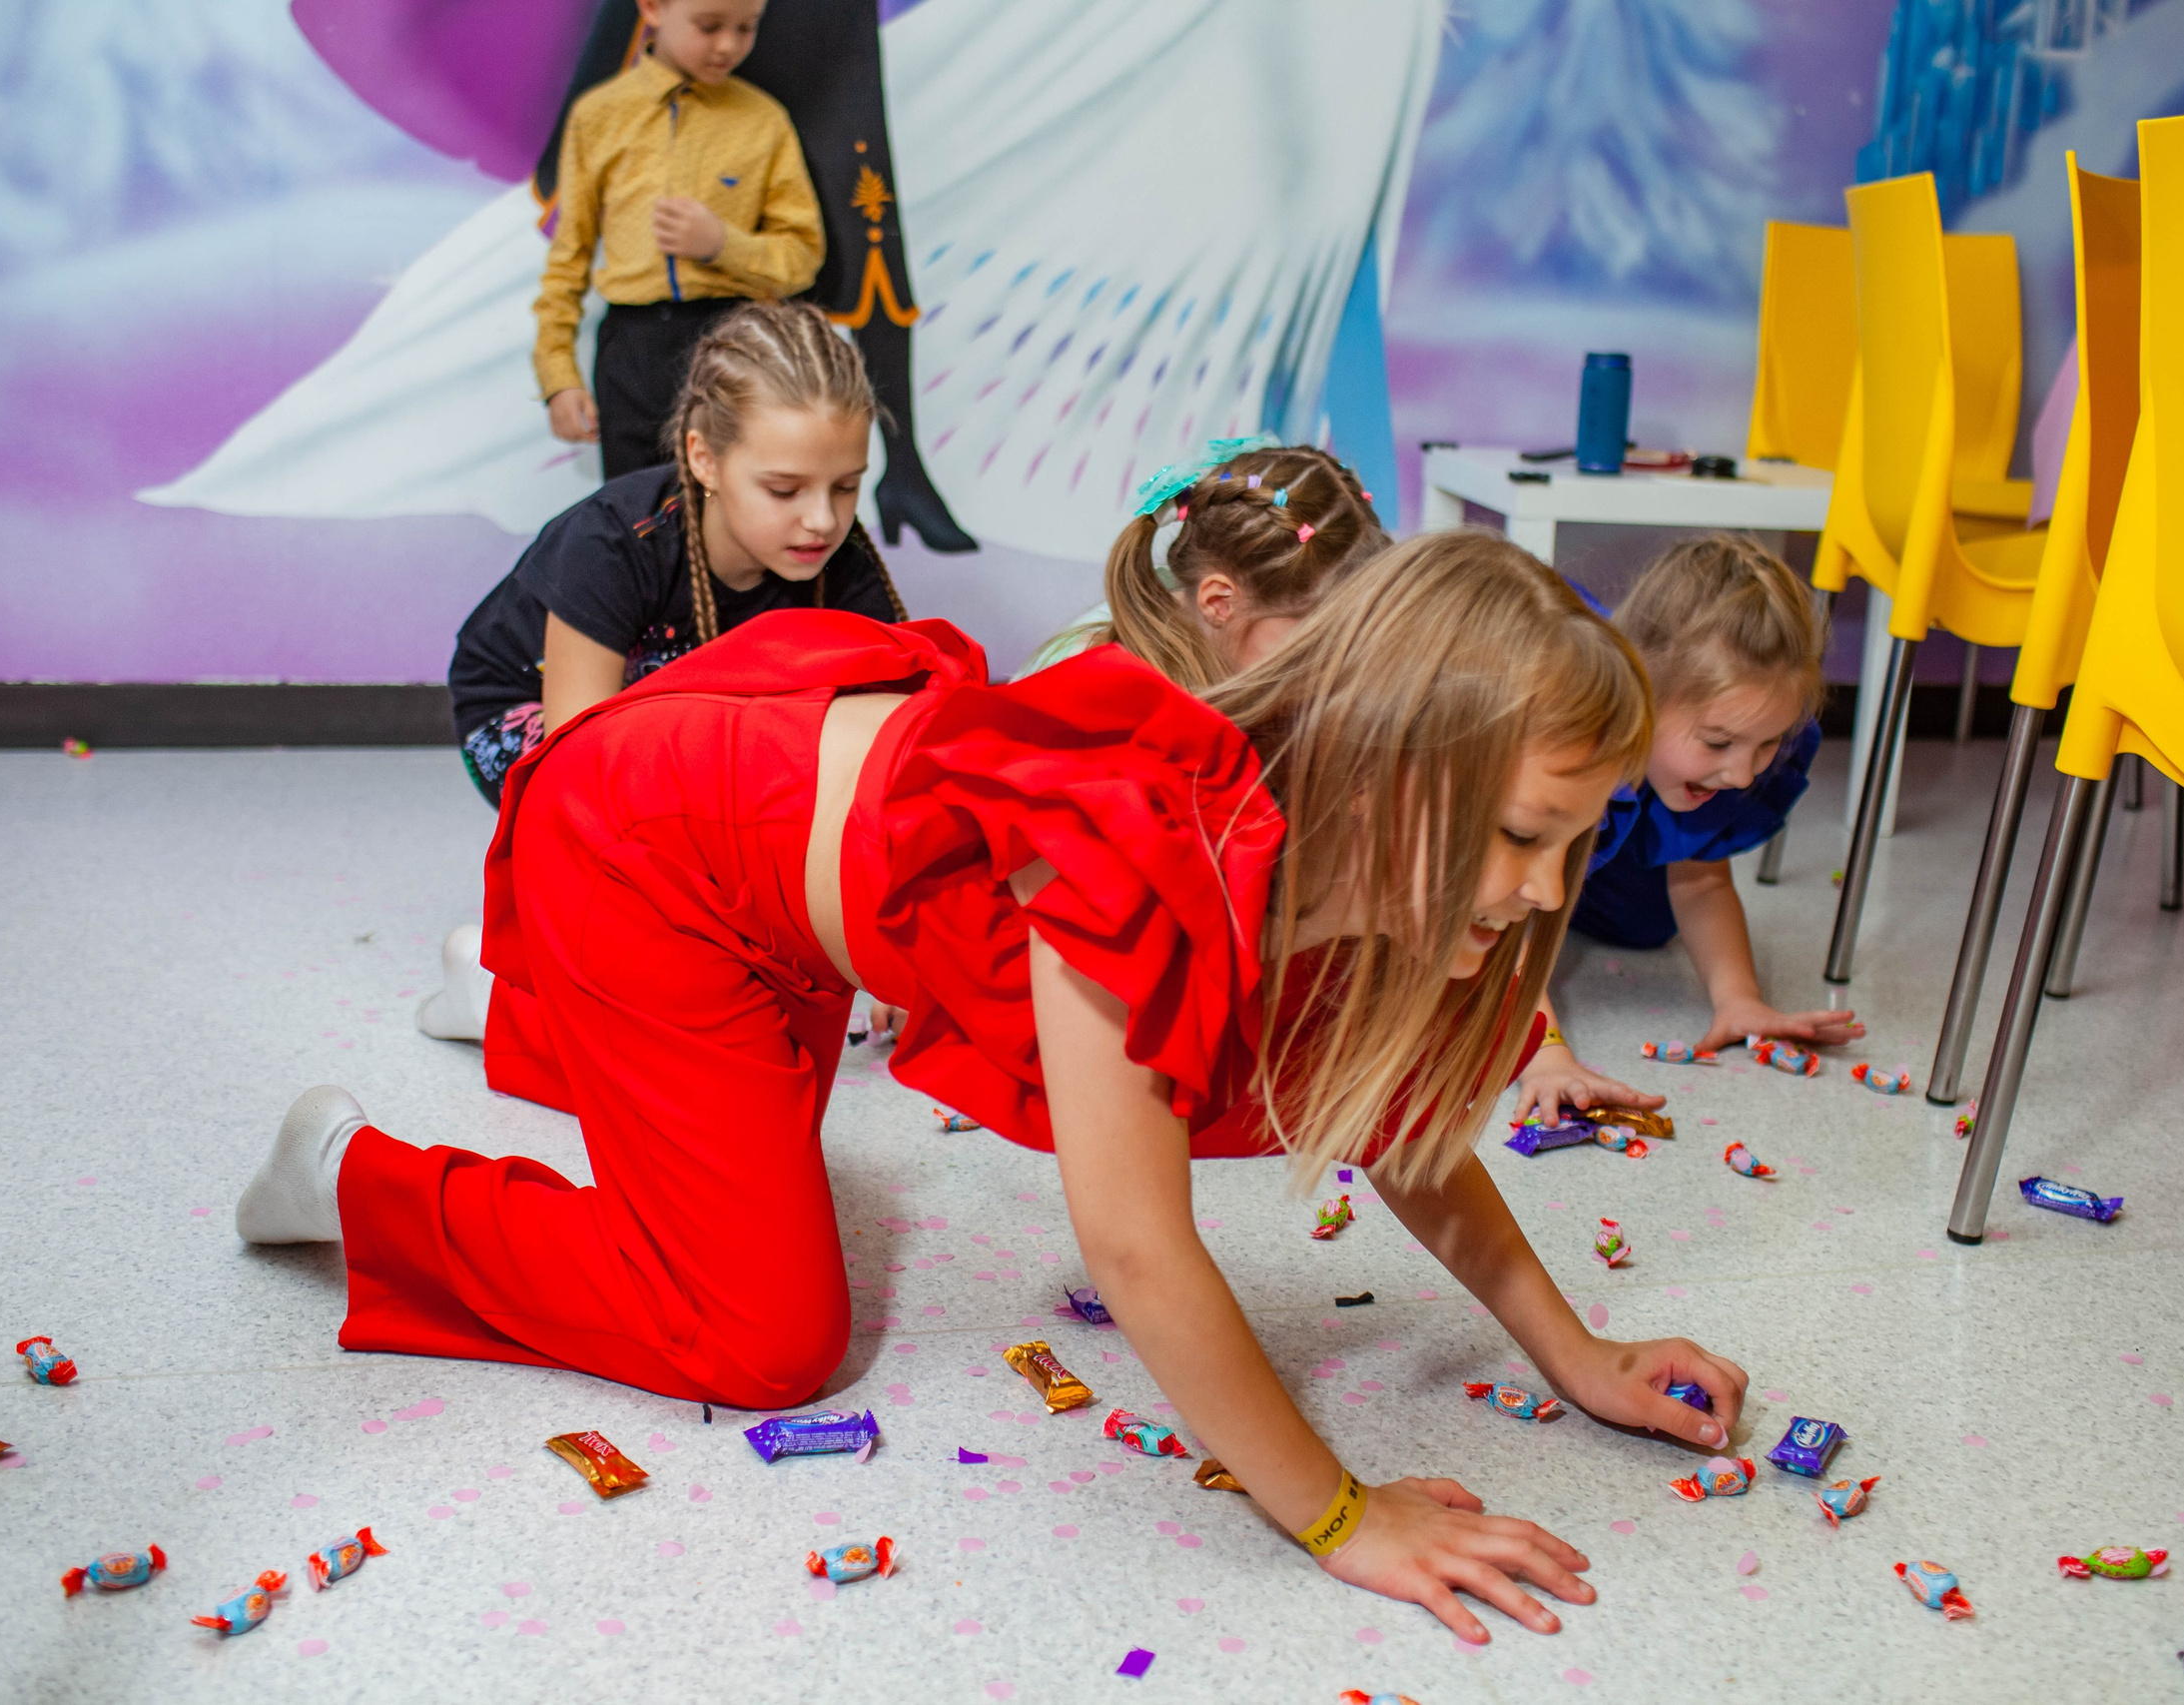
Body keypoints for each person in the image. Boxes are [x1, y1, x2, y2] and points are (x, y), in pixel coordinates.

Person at [240, 532, 1750, 1643]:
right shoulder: (1141, 854)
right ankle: (356, 1170)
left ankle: (512, 986)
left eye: (1579, 837)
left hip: (807, 868)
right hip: (662, 845)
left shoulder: (1390, 883)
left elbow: (1403, 1125)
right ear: (1390, 769)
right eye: (1523, 835)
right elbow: (1140, 1251)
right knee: (764, 1338)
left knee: (762, 1173)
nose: (1550, 888)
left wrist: (1578, 1349)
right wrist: (1339, 1514)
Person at [447, 300, 906, 813]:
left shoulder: (838, 554)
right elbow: (577, 763)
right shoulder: (613, 543)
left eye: (845, 487)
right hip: (530, 708)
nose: (822, 520)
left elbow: (889, 725)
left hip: (669, 723)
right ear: (704, 460)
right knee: (661, 809)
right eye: (783, 490)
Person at [1514, 534, 1860, 1124]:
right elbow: (1506, 920)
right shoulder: (1566, 741)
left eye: (1769, 743)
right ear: (1643, 688)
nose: (1744, 771)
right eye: (1720, 742)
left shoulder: (1713, 765)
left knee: (1646, 925)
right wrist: (1540, 1053)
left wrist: (1739, 1000)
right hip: (1500, 856)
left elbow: (1701, 883)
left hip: (1622, 841)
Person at [533, 0, 824, 479]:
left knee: (735, 510)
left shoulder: (763, 120)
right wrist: (558, 377)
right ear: (652, 8)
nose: (728, 45)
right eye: (708, 26)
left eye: (746, 28)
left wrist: (722, 245)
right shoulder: (599, 116)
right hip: (632, 351)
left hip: (734, 346)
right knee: (639, 515)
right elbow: (569, 258)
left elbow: (802, 253)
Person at [1030, 438, 1389, 687]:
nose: (1330, 667)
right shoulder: (1098, 691)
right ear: (1219, 603)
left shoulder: (1224, 649)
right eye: (1311, 646)